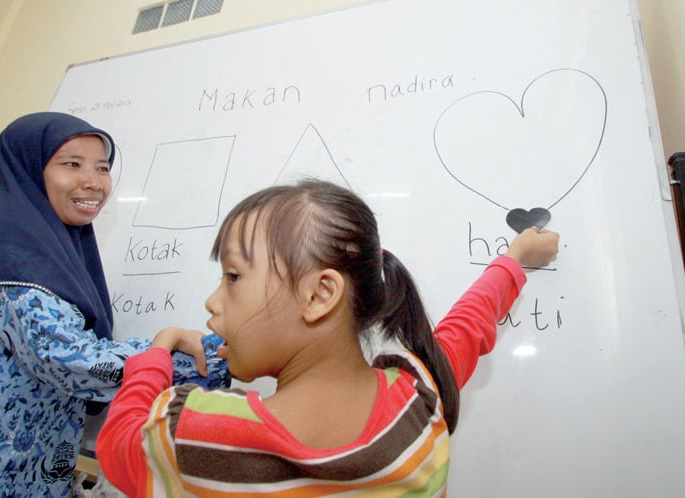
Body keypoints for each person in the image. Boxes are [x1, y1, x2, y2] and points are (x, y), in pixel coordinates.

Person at [96, 179, 559, 497]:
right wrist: (514, 259)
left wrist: (156, 353)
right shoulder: (420, 399)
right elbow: (467, 327)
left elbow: (117, 442)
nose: (213, 302)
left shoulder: (196, 440)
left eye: (233, 277)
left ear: (320, 295)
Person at [0, 112, 153, 497]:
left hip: (24, 474)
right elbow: (68, 359)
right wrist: (191, 356)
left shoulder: (59, 257)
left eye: (102, 168)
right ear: (28, 171)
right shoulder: (5, 256)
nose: (94, 182)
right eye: (72, 164)